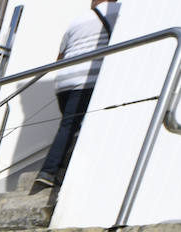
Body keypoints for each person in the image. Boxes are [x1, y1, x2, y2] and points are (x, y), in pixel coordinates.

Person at [33, 0, 120, 192]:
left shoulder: (77, 20)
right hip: (87, 79)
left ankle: (61, 169)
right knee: (73, 126)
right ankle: (49, 171)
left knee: (71, 125)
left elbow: (60, 56)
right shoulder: (121, 12)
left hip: (63, 82)